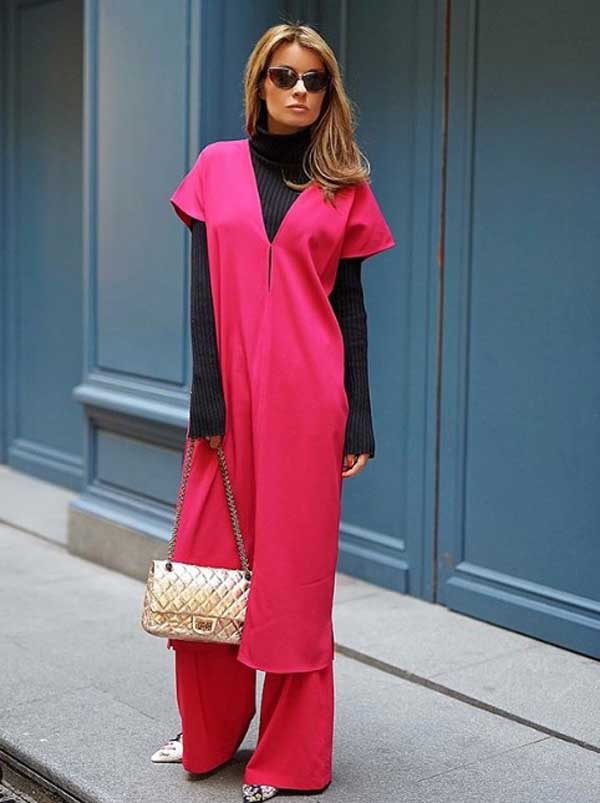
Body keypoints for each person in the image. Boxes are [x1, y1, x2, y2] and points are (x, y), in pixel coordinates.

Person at [156, 21, 395, 803]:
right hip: (226, 403)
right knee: (207, 568)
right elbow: (200, 291)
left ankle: (289, 757)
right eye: (285, 77)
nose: (299, 91)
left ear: (329, 93)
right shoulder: (216, 167)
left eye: (314, 80)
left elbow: (350, 305)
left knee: (293, 581)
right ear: (260, 84)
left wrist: (357, 414)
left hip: (305, 406)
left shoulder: (343, 182)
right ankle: (210, 733)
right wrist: (206, 392)